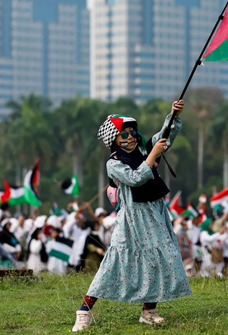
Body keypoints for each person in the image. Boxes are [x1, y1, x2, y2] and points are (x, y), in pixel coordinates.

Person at [72, 101, 191, 332]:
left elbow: (164, 136)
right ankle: (84, 311)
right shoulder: (113, 163)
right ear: (113, 140)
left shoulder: (144, 149)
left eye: (132, 131)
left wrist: (173, 116)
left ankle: (148, 311)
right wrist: (153, 154)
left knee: (159, 257)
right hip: (133, 219)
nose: (130, 136)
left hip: (154, 211)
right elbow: (136, 178)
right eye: (123, 133)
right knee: (114, 263)